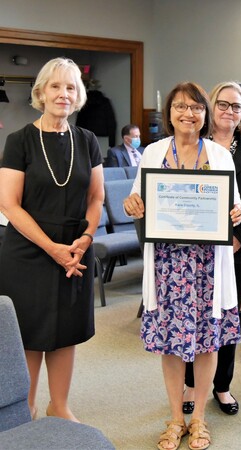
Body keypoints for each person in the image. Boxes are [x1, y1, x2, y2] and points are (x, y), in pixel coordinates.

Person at [123, 81, 241, 450]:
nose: (188, 113)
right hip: (168, 264)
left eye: (195, 107)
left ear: (205, 114)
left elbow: (234, 205)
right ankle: (176, 418)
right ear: (170, 113)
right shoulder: (154, 152)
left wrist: (236, 213)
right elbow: (137, 196)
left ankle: (199, 419)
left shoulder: (220, 155)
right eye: (180, 107)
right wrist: (133, 203)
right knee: (172, 344)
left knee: (208, 342)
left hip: (208, 262)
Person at [0, 57, 104, 422]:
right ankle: (24, 407)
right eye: (56, 86)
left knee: (65, 331)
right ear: (41, 92)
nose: (64, 93)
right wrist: (52, 249)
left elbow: (96, 198)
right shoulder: (19, 141)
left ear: (78, 97)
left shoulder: (87, 140)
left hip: (76, 249)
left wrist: (86, 238)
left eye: (71, 87)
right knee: (29, 332)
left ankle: (58, 405)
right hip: (29, 250)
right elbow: (9, 205)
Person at [183, 81, 241, 415]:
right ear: (210, 107)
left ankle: (222, 386)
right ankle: (191, 383)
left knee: (227, 315)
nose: (229, 111)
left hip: (237, 246)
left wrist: (240, 237)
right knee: (197, 314)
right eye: (223, 104)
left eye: (236, 106)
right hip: (196, 247)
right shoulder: (193, 145)